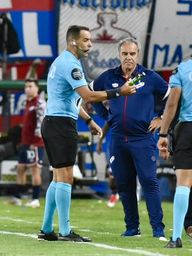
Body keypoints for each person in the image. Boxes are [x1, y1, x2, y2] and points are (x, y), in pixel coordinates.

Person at [38, 25, 135, 242]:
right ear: (73, 42)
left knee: (58, 176)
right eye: (86, 40)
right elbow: (88, 96)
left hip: (54, 122)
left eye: (90, 40)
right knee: (66, 177)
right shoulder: (71, 64)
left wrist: (89, 120)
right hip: (60, 125)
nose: (90, 44)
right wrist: (119, 91)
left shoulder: (62, 61)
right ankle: (64, 231)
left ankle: (46, 228)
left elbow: (72, 99)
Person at [93, 37, 169, 239]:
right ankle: (132, 228)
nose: (128, 57)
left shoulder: (151, 77)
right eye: (125, 54)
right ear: (119, 55)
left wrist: (161, 118)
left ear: (138, 54)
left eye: (132, 54)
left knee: (149, 182)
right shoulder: (108, 77)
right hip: (118, 139)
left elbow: (173, 99)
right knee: (124, 184)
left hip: (143, 139)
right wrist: (105, 116)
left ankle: (158, 229)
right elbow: (91, 95)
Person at [157, 59, 192, 248]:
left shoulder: (183, 69)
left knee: (183, 184)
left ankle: (176, 237)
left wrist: (163, 134)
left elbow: (172, 103)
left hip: (188, 129)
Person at [12, 78, 46, 208]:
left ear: (37, 88)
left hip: (35, 144)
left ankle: (35, 199)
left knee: (35, 170)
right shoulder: (27, 103)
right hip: (25, 142)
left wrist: (35, 141)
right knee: (21, 168)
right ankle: (17, 197)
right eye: (26, 86)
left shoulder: (40, 103)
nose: (27, 89)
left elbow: (41, 123)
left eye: (30, 86)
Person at [96, 121, 119, 208]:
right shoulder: (115, 111)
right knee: (112, 176)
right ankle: (114, 194)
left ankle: (135, 196)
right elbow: (106, 126)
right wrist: (99, 142)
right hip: (116, 147)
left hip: (133, 144)